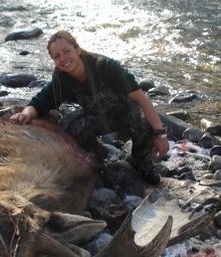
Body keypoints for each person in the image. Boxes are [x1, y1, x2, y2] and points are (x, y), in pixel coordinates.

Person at [9, 30, 169, 184]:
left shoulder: (105, 67)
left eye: (67, 51)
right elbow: (39, 102)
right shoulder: (61, 80)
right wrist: (25, 114)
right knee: (70, 125)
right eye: (57, 56)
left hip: (127, 115)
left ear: (77, 50)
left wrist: (160, 135)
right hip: (98, 118)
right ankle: (98, 160)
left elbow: (142, 99)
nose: (63, 58)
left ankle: (142, 165)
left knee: (147, 122)